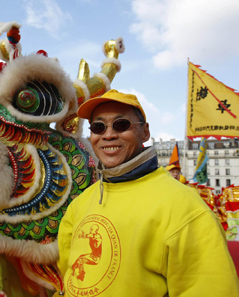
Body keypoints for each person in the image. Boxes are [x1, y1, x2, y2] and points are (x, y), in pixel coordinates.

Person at [57, 89, 239, 296]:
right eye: (98, 127)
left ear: (145, 132)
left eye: (121, 125)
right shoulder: (80, 204)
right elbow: (67, 273)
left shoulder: (186, 207)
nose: (108, 135)